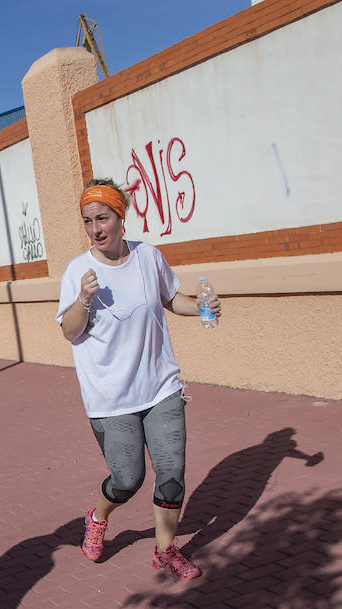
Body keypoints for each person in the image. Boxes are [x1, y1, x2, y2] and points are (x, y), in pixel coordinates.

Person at [56, 179, 221, 579]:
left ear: (120, 218)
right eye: (88, 221)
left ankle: (166, 549)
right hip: (110, 395)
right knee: (128, 479)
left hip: (160, 385)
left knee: (171, 472)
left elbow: (170, 300)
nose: (96, 228)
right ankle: (98, 516)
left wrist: (199, 304)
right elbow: (69, 331)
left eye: (103, 218)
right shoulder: (79, 271)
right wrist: (83, 299)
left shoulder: (149, 257)